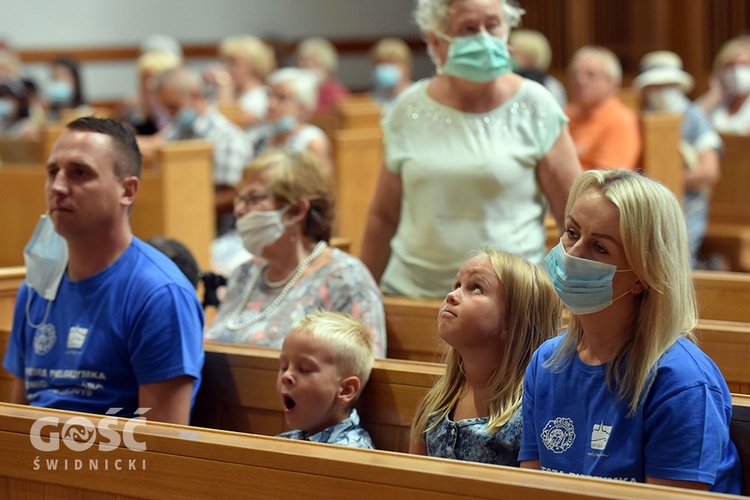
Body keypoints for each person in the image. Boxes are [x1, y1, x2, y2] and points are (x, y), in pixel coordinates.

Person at [519, 169, 742, 494]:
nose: (572, 254)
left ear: (643, 275)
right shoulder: (546, 363)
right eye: (571, 232)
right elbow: (531, 489)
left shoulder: (682, 384)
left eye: (599, 248)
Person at [360, 0, 582, 299]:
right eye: (467, 29)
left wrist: (575, 302)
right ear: (436, 41)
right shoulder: (408, 108)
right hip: (414, 294)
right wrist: (362, 295)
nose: (483, 38)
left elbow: (574, 216)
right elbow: (383, 215)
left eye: (492, 25)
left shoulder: (536, 105)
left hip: (511, 303)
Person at [2, 117, 205, 424]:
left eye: (79, 173)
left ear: (127, 190)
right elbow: (18, 423)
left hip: (110, 465)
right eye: (53, 171)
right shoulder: (36, 287)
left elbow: (162, 450)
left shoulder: (160, 294)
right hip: (37, 463)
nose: (57, 186)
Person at [205, 149, 386, 357]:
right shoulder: (245, 273)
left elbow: (365, 368)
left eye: (253, 199)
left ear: (296, 210)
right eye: (239, 199)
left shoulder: (345, 280)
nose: (238, 210)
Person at [410, 249, 561, 465]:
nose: (451, 296)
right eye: (457, 285)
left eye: (476, 288)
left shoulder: (529, 412)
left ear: (514, 324)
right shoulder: (436, 405)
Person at [634, 50, 722, 267]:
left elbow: (710, 171)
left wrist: (665, 179)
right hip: (646, 209)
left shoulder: (694, 118)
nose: (663, 91)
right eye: (657, 86)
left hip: (687, 209)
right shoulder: (638, 118)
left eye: (669, 85)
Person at [148, 66, 254, 236]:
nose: (170, 114)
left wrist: (183, 208)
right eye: (166, 108)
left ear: (196, 95)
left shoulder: (227, 139)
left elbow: (233, 195)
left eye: (174, 107)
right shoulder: (182, 128)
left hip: (222, 233)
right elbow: (155, 147)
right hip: (186, 225)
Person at [276, 311, 375, 449]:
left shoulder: (351, 455)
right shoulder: (284, 441)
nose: (286, 376)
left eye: (305, 369)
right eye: (284, 367)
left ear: (346, 390)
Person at [565, 46, 641, 171]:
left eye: (591, 74)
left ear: (611, 81)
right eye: (574, 74)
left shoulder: (619, 120)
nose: (580, 80)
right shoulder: (569, 112)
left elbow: (609, 179)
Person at [255, 67, 333, 171]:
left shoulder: (312, 141)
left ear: (303, 107)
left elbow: (322, 185)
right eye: (269, 96)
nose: (271, 105)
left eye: (282, 98)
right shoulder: (262, 136)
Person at [204, 35, 276, 130]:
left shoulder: (262, 97)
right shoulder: (235, 93)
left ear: (252, 66)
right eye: (227, 62)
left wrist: (224, 84)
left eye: (234, 63)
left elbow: (225, 125)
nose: (228, 68)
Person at [117, 49, 182, 136]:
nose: (149, 84)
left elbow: (167, 140)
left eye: (155, 78)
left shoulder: (179, 109)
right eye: (145, 78)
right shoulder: (133, 107)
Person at [696, 35, 750, 135]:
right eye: (730, 65)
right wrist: (713, 96)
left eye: (744, 64)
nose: (736, 71)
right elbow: (687, 125)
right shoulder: (717, 102)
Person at [509, 29, 567, 106]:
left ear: (529, 57)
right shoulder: (507, 82)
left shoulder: (552, 86)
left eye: (513, 54)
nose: (509, 57)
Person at [296, 37, 350, 113]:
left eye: (314, 63)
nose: (308, 67)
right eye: (303, 61)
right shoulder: (296, 91)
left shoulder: (337, 93)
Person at [369, 38, 413, 113]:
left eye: (391, 62)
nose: (385, 67)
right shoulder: (371, 100)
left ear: (406, 66)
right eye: (380, 63)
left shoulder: (416, 95)